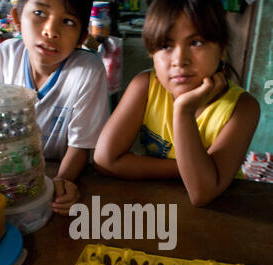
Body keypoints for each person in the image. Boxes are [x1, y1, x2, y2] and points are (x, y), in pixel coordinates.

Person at [94, 0, 260, 207]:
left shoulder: (242, 108)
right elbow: (106, 161)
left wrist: (183, 111)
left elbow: (202, 193)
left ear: (222, 50)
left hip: (222, 214)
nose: (180, 59)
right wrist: (191, 169)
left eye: (196, 42)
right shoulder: (145, 87)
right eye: (166, 46)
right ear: (152, 54)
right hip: (157, 206)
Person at [0, 0, 110, 215]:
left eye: (67, 21)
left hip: (58, 168)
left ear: (82, 37)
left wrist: (62, 181)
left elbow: (80, 145)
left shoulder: (87, 71)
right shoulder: (5, 55)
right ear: (17, 19)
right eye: (39, 13)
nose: (50, 31)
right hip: (11, 174)